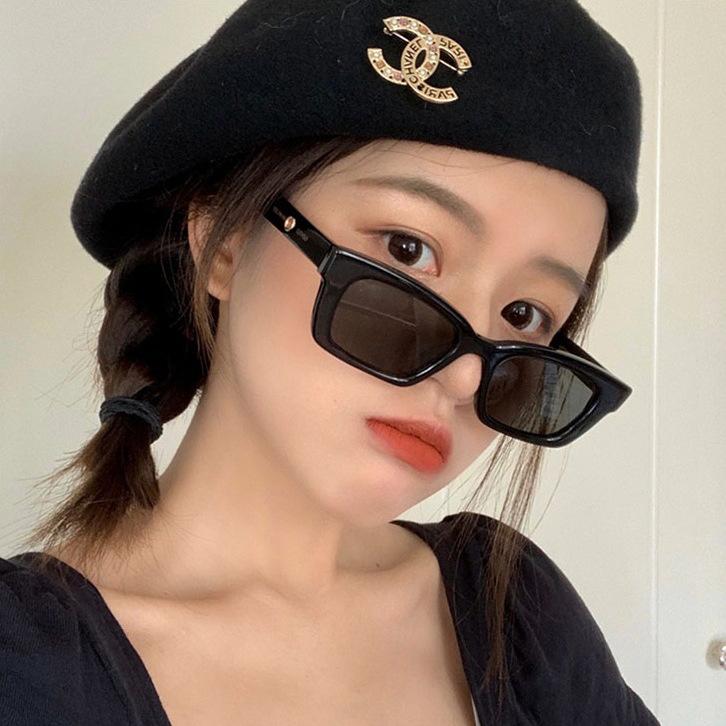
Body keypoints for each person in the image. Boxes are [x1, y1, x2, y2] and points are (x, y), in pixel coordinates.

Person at [1, 1, 660, 724]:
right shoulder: (22, 667)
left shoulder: (516, 616)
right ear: (224, 242)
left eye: (525, 315)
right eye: (408, 250)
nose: (465, 378)